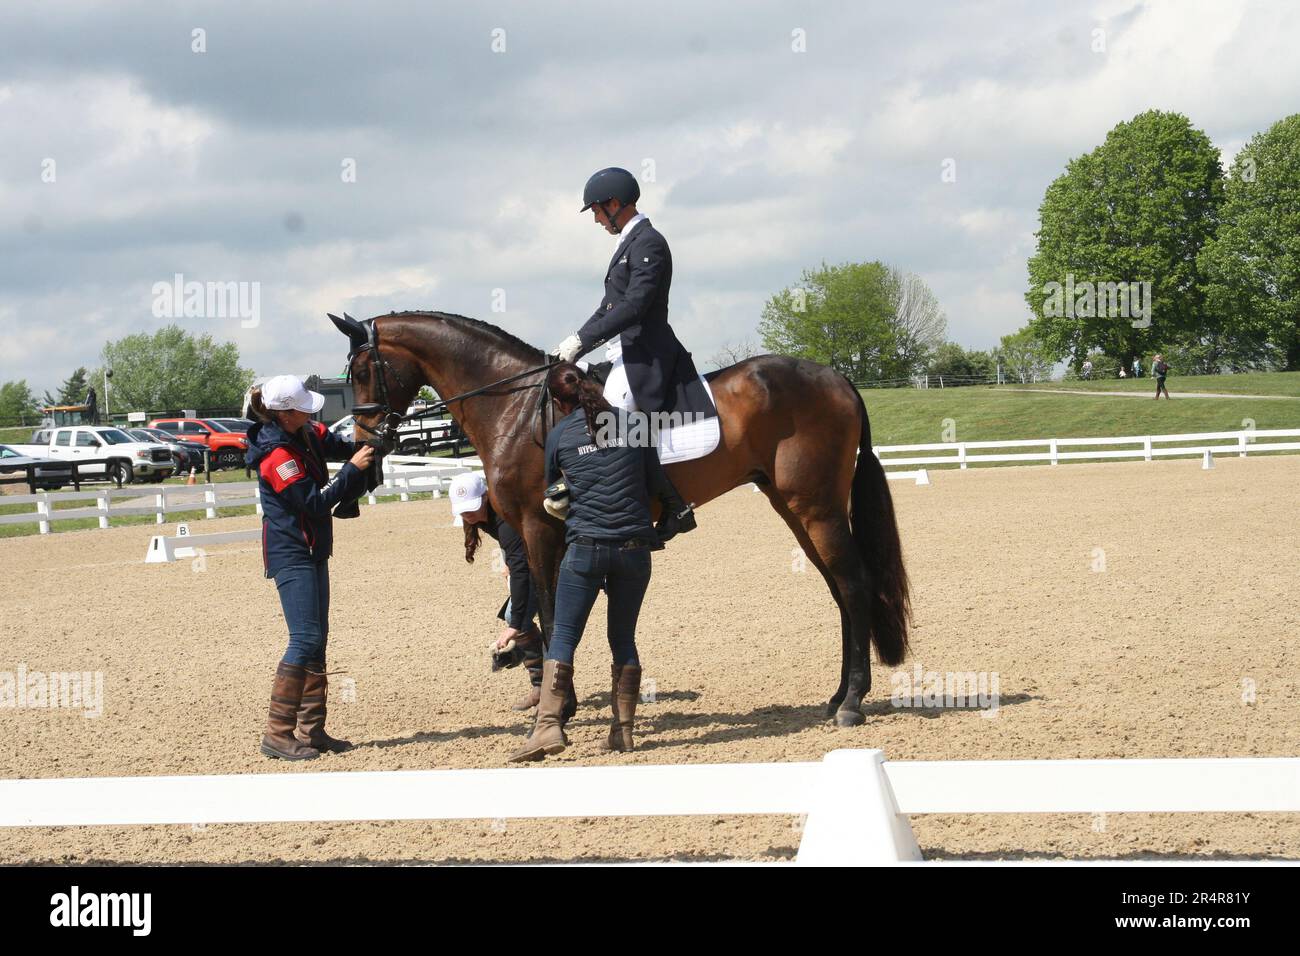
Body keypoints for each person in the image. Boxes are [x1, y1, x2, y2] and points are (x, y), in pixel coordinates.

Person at [509, 363, 674, 762]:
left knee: (564, 636)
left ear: (557, 401)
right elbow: (657, 484)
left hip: (585, 547)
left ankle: (548, 727)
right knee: (623, 639)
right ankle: (623, 731)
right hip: (634, 549)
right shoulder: (635, 424)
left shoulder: (560, 434)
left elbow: (554, 488)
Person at [549, 166, 699, 539]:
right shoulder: (627, 245)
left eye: (598, 211)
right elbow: (608, 308)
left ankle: (673, 507)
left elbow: (635, 306)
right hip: (622, 352)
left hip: (645, 354)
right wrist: (574, 342)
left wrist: (582, 342)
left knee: (613, 422)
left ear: (615, 204)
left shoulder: (649, 242)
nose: (597, 219)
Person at [246, 375, 374, 760]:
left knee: (317, 638)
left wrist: (369, 434)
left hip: (313, 550)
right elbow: (314, 504)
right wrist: (351, 470)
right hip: (292, 552)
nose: (311, 410)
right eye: (303, 406)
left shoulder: (304, 432)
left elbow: (340, 442)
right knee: (304, 638)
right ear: (286, 413)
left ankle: (312, 729)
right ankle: (278, 732)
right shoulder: (277, 458)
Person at [449, 471, 545, 711]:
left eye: (472, 508)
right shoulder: (482, 516)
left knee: (516, 617)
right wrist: (508, 558)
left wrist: (516, 626)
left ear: (486, 497)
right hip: (530, 560)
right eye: (463, 511)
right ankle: (541, 679)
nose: (469, 517)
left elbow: (522, 567)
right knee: (520, 617)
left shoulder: (504, 517)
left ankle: (542, 683)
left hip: (543, 565)